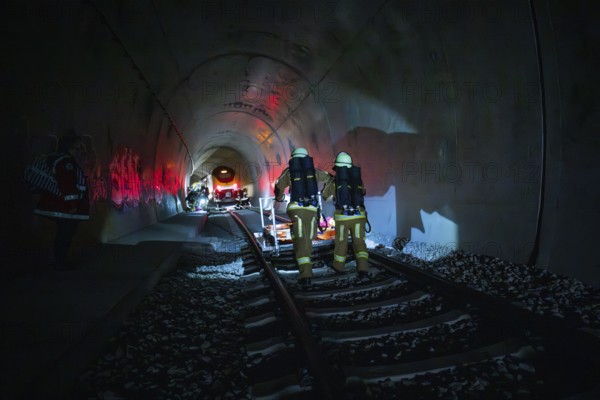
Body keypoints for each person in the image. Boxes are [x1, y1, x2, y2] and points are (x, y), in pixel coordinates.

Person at [274, 147, 332, 286]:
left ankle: (305, 268)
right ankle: (306, 272)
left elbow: (278, 186)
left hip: (296, 208)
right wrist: (325, 194)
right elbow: (331, 178)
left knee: (302, 239)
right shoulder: (314, 171)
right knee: (308, 238)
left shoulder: (289, 171)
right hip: (311, 209)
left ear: (293, 159)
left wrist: (280, 198)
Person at [34, 132, 90, 270]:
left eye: (81, 147)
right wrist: (73, 205)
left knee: (63, 233)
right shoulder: (67, 162)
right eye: (77, 147)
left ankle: (60, 261)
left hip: (59, 205)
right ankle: (60, 263)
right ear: (68, 148)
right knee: (65, 234)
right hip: (63, 208)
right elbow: (67, 185)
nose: (81, 150)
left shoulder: (60, 160)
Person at [321, 151, 370, 279]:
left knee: (341, 242)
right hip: (359, 215)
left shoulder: (333, 182)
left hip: (342, 217)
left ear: (337, 167)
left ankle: (338, 266)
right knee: (359, 242)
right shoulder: (358, 180)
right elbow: (363, 192)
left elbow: (325, 197)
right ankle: (363, 268)